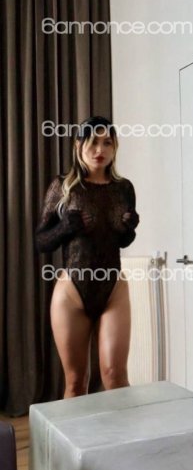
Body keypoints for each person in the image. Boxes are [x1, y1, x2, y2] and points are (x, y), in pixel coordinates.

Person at [35, 116, 140, 399]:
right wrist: (65, 228)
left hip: (112, 289)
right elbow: (41, 241)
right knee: (76, 383)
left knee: (115, 376)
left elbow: (122, 241)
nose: (100, 150)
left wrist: (130, 228)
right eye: (93, 142)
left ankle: (124, 430)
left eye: (107, 143)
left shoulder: (124, 188)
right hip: (72, 292)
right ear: (78, 145)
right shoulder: (62, 186)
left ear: (115, 147)